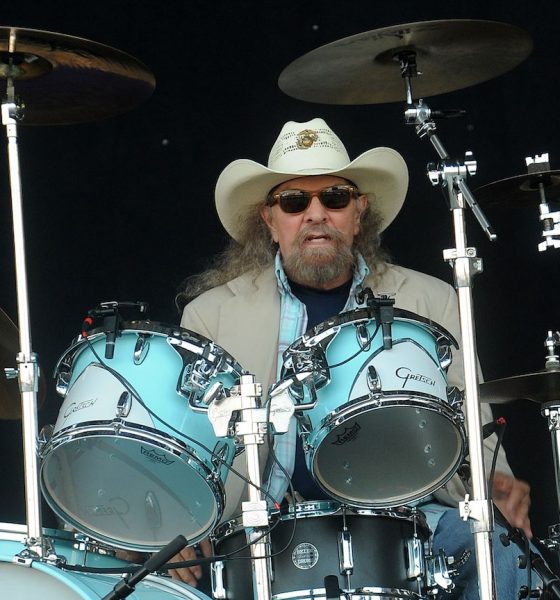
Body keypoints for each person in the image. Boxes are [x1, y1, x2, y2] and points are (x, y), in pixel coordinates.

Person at [174, 118, 533, 597]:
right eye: (295, 201)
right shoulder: (210, 315)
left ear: (359, 213)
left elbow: (473, 423)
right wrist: (178, 522)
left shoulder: (431, 299)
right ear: (270, 220)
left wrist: (498, 484)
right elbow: (184, 449)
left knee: (497, 549)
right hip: (259, 530)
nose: (316, 214)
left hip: (407, 522)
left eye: (335, 198)